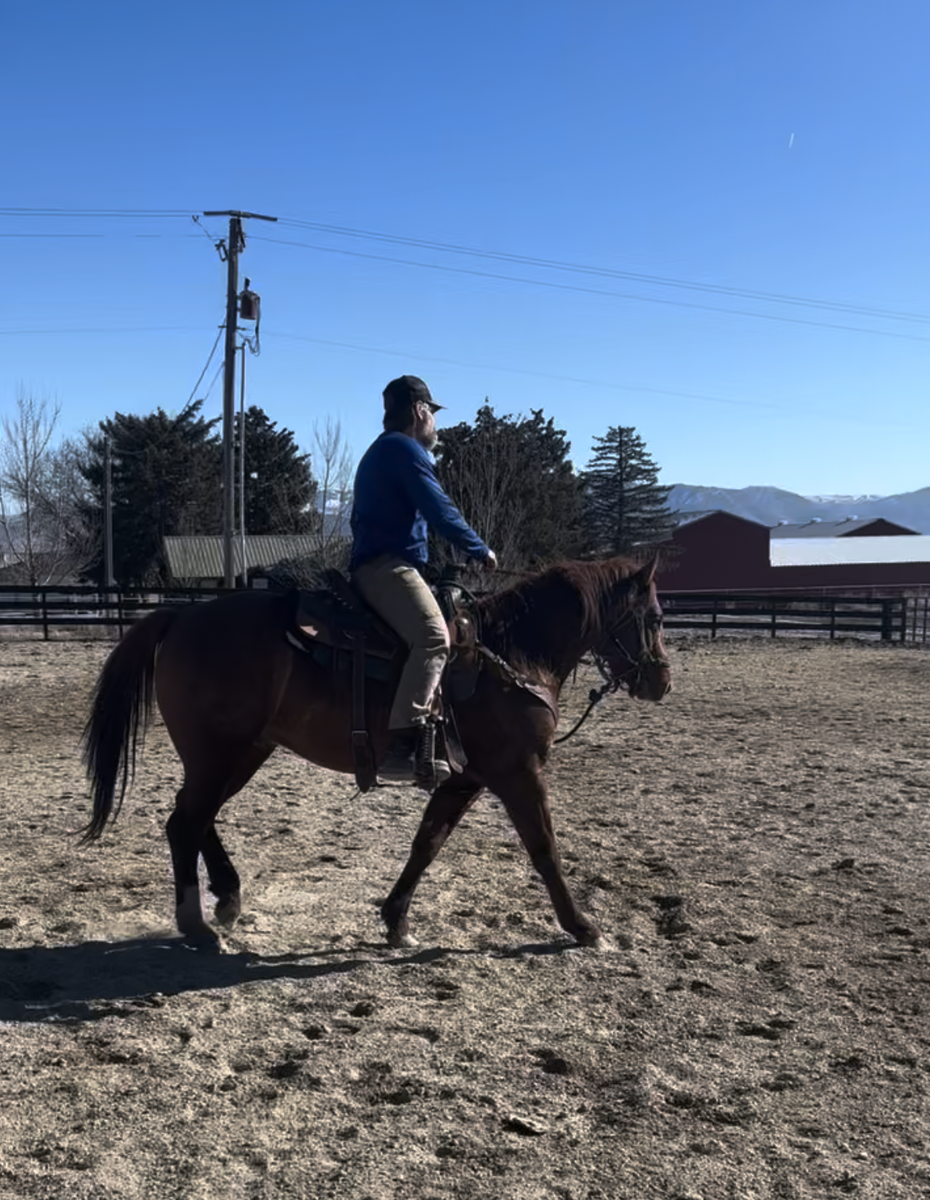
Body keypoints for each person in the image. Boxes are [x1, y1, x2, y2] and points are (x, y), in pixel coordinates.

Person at [350, 375, 497, 784]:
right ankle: (403, 742)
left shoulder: (382, 450)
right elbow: (439, 509)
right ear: (419, 411)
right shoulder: (404, 449)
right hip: (387, 568)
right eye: (432, 412)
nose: (434, 422)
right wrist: (479, 549)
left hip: (385, 564)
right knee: (434, 637)